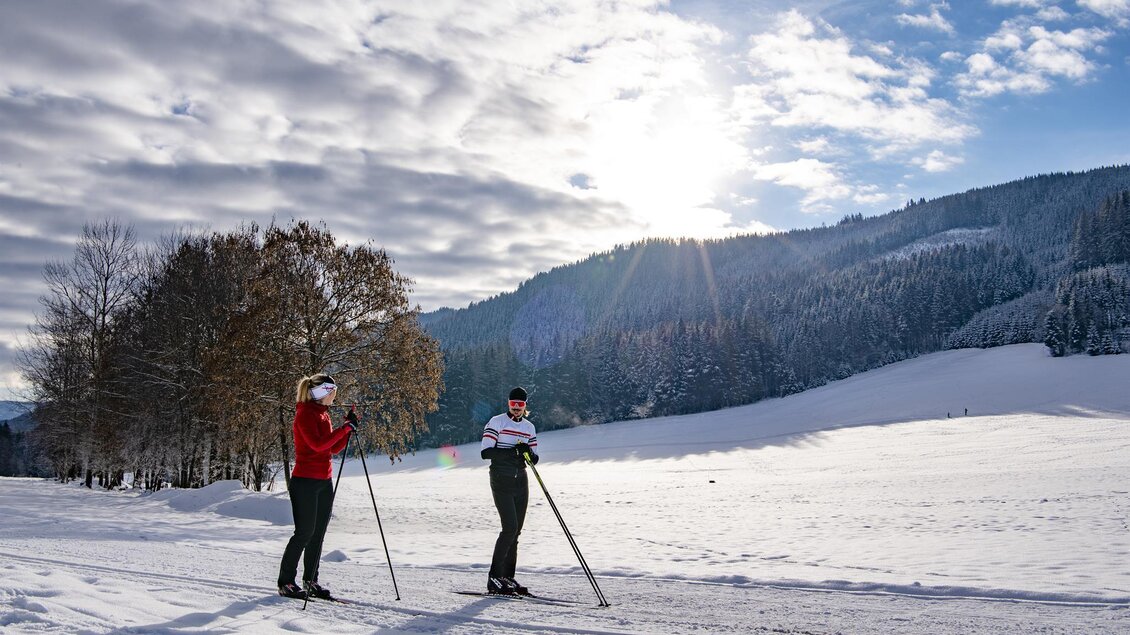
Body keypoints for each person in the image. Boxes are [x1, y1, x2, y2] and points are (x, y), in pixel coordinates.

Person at [277, 373, 359, 600]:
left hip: (324, 481)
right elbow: (316, 444)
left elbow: (331, 448)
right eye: (333, 392)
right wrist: (343, 430)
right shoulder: (304, 414)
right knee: (304, 533)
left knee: (318, 534)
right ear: (324, 392)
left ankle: (310, 580)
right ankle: (285, 582)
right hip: (304, 482)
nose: (335, 397)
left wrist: (347, 429)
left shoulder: (323, 415)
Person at [481, 386, 539, 595]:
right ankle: (494, 578)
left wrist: (527, 453)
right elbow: (486, 452)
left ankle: (507, 576)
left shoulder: (529, 427)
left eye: (520, 405)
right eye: (513, 404)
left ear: (525, 406)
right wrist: (513, 451)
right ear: (508, 404)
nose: (516, 408)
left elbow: (534, 458)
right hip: (501, 478)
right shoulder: (496, 422)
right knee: (509, 528)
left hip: (520, 480)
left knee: (517, 530)